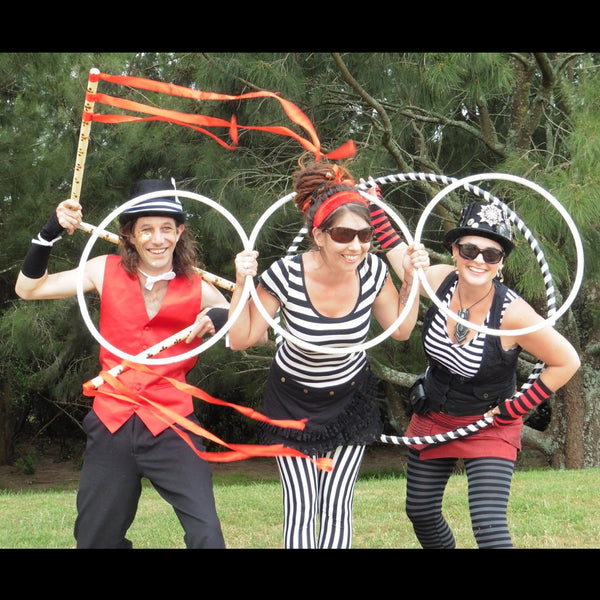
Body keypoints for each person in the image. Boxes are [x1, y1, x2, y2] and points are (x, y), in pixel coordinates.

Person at [15, 178, 231, 549]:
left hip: (173, 424)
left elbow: (251, 330)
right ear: (129, 235)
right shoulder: (103, 269)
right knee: (95, 539)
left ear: (180, 232)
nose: (157, 239)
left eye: (166, 228)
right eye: (145, 229)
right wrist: (49, 232)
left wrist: (223, 317)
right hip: (112, 420)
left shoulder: (200, 287)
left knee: (207, 535)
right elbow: (28, 289)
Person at [227, 158, 429, 548]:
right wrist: (240, 283)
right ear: (318, 235)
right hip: (292, 402)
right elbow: (242, 338)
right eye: (342, 234)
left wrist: (412, 277)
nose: (355, 246)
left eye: (365, 235)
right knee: (302, 506)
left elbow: (402, 329)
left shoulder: (372, 271)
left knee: (338, 505)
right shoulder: (284, 274)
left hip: (349, 399)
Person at [395, 200, 581, 549]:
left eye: (491, 254)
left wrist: (516, 407)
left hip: (489, 423)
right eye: (469, 248)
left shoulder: (514, 314)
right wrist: (373, 208)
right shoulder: (437, 280)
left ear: (501, 264)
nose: (478, 260)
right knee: (420, 511)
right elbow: (400, 258)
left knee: (489, 530)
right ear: (454, 250)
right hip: (433, 414)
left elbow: (567, 361)